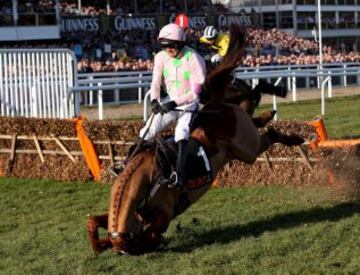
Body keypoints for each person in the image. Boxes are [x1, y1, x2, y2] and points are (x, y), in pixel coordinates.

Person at [139, 23, 206, 188]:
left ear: (181, 43)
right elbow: (155, 82)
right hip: (170, 100)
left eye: (171, 45)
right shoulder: (160, 57)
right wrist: (154, 100)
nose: (168, 49)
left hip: (189, 104)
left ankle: (180, 176)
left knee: (181, 133)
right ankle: (129, 164)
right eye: (164, 46)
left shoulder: (194, 58)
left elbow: (195, 93)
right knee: (147, 130)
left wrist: (174, 103)